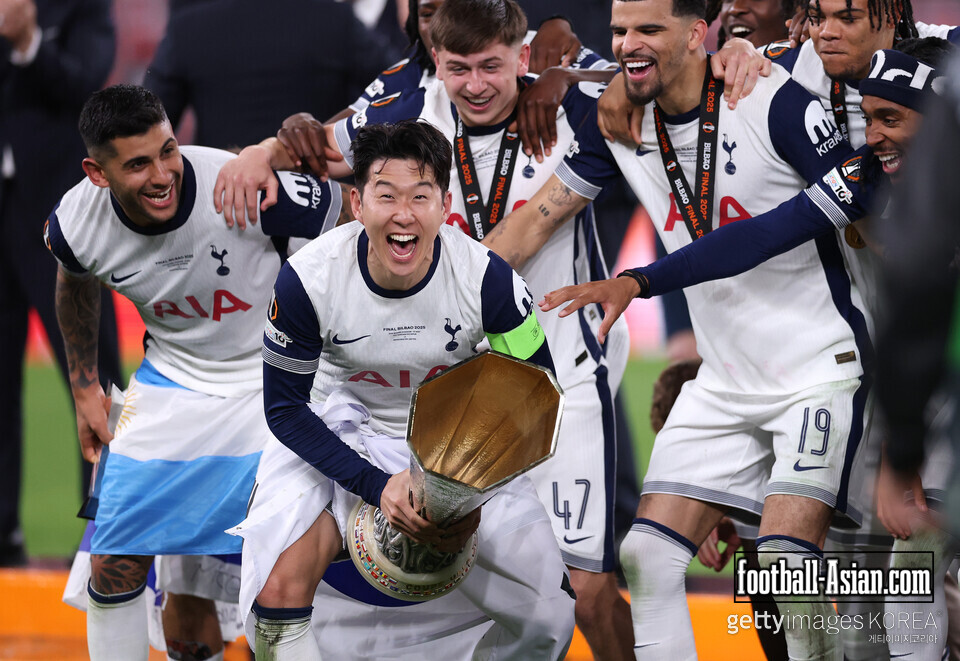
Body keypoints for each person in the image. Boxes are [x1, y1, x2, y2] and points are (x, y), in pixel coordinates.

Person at [482, 0, 886, 656]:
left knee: (811, 566)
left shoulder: (777, 102)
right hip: (724, 381)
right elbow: (534, 219)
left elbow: (777, 233)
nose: (628, 44)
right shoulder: (619, 120)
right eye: (619, 31)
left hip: (819, 370)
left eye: (648, 30)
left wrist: (638, 281)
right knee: (645, 554)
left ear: (699, 33)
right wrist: (446, 298)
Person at [229, 119, 576, 659]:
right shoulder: (307, 279)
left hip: (461, 449)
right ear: (356, 202)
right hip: (338, 430)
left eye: (421, 195)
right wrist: (375, 484)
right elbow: (285, 410)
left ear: (444, 203)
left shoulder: (490, 280)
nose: (403, 214)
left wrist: (466, 496)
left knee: (548, 616)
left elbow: (537, 397)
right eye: (385, 195)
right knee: (275, 599)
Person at [47, 84, 345, 661]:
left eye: (167, 150)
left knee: (292, 565)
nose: (163, 174)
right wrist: (85, 388)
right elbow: (74, 281)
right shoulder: (75, 224)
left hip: (278, 380)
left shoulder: (242, 184)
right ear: (97, 173)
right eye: (137, 163)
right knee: (113, 557)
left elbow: (349, 223)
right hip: (172, 381)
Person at [0, 0, 119, 567]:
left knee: (93, 374)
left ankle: (106, 531)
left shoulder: (80, 7)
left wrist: (27, 43)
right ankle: (2, 535)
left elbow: (86, 93)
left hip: (58, 217)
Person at [143, 0, 395, 151]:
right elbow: (400, 88)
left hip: (222, 200)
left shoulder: (188, 28)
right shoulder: (335, 19)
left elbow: (145, 126)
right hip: (317, 205)